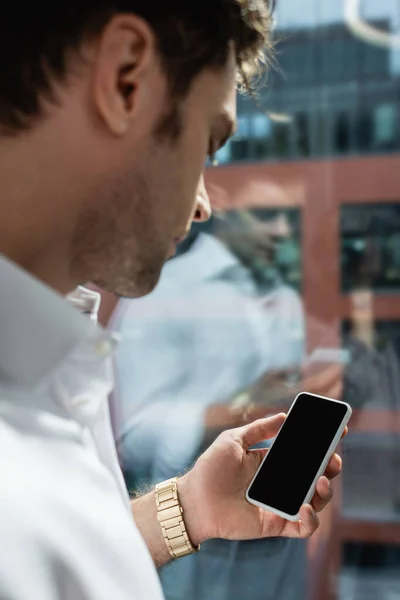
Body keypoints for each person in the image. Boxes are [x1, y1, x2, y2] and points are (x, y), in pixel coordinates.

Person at [0, 2, 344, 599]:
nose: (205, 202)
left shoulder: (48, 358)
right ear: (127, 79)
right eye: (207, 144)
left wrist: (186, 510)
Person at [111, 216, 342, 600]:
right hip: (193, 544)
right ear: (228, 209)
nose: (282, 230)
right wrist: (240, 410)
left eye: (289, 216)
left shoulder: (283, 296)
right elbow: (134, 437)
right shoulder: (165, 292)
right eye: (266, 214)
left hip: (283, 534)